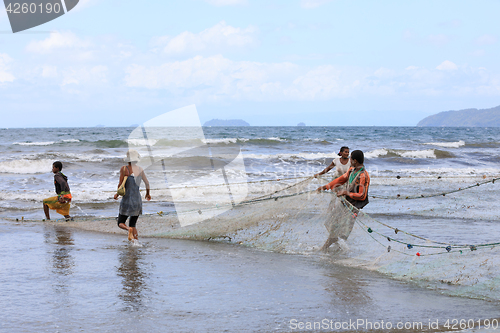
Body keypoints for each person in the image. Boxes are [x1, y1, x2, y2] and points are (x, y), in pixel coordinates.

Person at [316, 150, 370, 251]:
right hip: (345, 202)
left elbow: (362, 196)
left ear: (355, 160)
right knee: (330, 222)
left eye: (350, 158)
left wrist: (346, 192)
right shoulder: (352, 170)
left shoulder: (363, 175)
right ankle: (338, 246)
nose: (349, 160)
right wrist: (325, 187)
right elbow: (341, 179)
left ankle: (324, 249)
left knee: (339, 229)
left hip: (353, 207)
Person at [114, 149, 151, 241]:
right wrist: (147, 194)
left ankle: (128, 229)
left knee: (120, 222)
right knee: (133, 224)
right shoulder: (140, 169)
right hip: (137, 200)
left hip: (127, 200)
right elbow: (147, 183)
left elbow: (120, 184)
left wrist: (117, 194)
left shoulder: (124, 169)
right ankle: (136, 243)